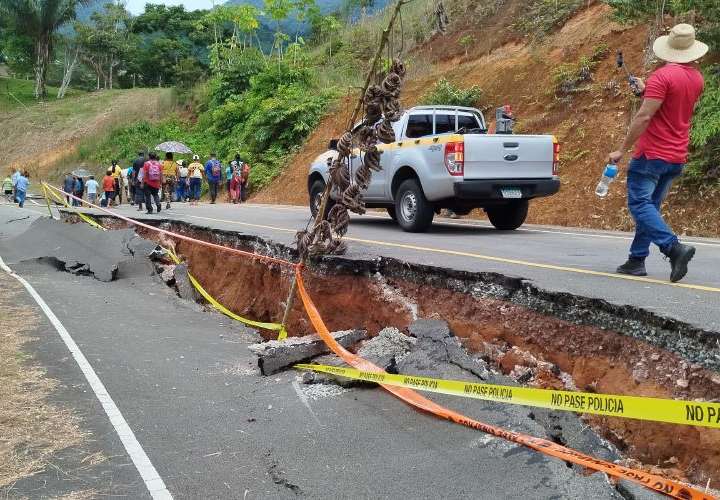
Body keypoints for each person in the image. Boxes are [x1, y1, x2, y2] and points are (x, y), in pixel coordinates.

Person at [608, 24, 707, 283]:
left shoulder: (662, 77)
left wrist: (621, 149)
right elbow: (672, 105)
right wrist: (646, 90)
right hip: (676, 156)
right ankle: (636, 259)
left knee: (640, 204)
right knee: (649, 207)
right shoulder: (697, 78)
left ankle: (673, 248)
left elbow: (644, 116)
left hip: (652, 155)